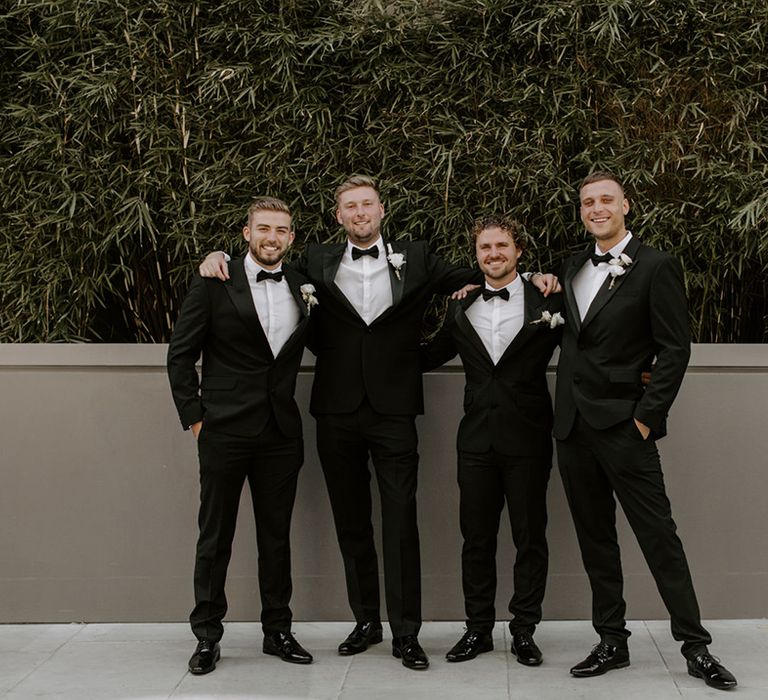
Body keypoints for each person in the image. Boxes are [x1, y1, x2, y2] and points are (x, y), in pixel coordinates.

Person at [199, 175, 558, 670]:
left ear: (382, 209)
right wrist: (215, 258)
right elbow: (264, 266)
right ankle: (365, 619)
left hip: (394, 410)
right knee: (351, 523)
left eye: (367, 203)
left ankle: (405, 632)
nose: (359, 212)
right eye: (350, 205)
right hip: (336, 410)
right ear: (339, 215)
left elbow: (474, 275)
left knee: (400, 520)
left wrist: (538, 280)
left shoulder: (417, 256)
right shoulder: (315, 262)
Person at [553, 171, 737, 690]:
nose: (597, 208)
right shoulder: (571, 266)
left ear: (626, 205)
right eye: (588, 201)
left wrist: (644, 419)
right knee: (596, 540)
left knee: (659, 538)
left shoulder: (656, 266)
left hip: (623, 427)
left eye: (606, 199)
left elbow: (675, 349)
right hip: (572, 428)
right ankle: (612, 639)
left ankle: (696, 647)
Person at [167, 197, 315, 675]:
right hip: (223, 430)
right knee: (216, 537)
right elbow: (180, 353)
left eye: (282, 230)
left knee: (276, 538)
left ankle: (278, 630)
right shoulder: (215, 279)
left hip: (280, 431)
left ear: (291, 238)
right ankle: (207, 635)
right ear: (247, 233)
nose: (272, 237)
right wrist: (195, 419)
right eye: (264, 228)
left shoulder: (302, 283)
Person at [421, 215, 563, 666]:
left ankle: (524, 629)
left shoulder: (548, 297)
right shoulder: (460, 305)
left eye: (502, 245)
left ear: (519, 251)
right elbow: (431, 353)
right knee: (476, 540)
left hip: (528, 438)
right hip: (476, 441)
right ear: (476, 254)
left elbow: (590, 342)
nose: (493, 254)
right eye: (485, 247)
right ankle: (478, 629)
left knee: (529, 537)